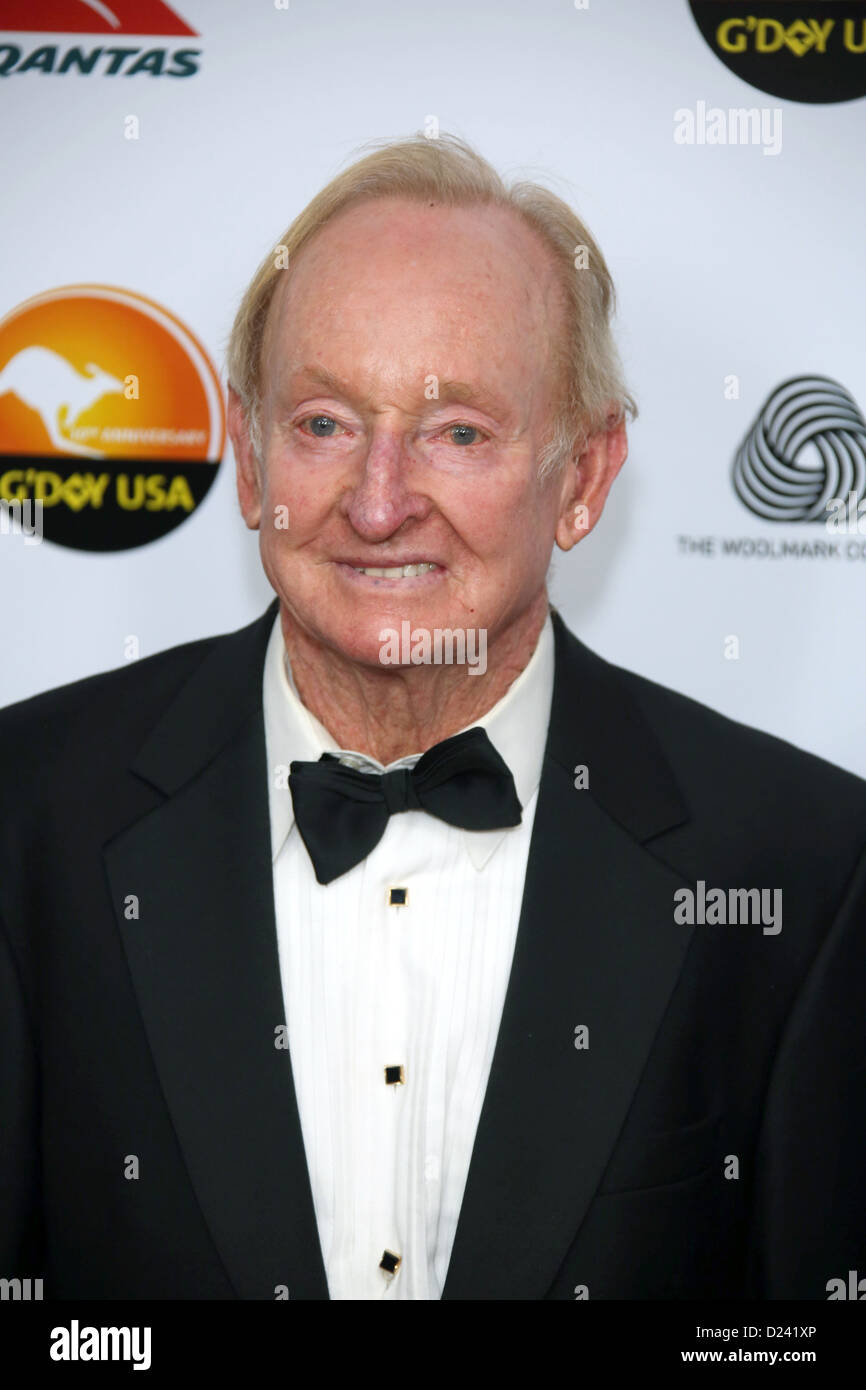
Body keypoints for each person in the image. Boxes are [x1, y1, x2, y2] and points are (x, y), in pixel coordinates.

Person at [1, 134, 864, 1301]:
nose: (377, 500)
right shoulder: (29, 814)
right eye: (323, 423)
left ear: (583, 477)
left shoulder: (801, 861)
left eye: (456, 431)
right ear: (251, 460)